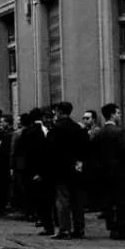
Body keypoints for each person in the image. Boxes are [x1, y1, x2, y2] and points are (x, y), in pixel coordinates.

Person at [47, 102, 88, 239]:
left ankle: (65, 229)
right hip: (75, 168)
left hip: (60, 169)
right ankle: (79, 228)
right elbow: (84, 148)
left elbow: (50, 151)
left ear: (58, 111)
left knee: (62, 200)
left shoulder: (56, 129)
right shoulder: (78, 128)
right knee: (77, 200)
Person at [93, 103, 125, 240]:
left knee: (109, 202)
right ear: (112, 114)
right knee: (122, 201)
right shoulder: (120, 132)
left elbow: (94, 154)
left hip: (104, 172)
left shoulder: (99, 134)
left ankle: (111, 227)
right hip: (119, 171)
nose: (119, 115)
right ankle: (121, 228)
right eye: (118, 113)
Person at [25, 108, 55, 236]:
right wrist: (35, 172)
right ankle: (47, 225)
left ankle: (55, 223)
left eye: (50, 117)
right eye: (46, 118)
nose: (49, 120)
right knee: (43, 200)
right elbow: (31, 154)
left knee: (54, 199)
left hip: (54, 170)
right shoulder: (33, 132)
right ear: (42, 119)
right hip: (40, 171)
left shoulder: (55, 130)